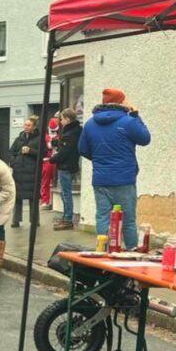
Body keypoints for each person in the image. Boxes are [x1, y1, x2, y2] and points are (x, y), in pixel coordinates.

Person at [78, 88, 150, 251]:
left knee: (102, 216)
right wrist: (136, 115)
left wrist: (100, 159)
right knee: (128, 220)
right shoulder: (128, 121)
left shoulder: (90, 124)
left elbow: (83, 149)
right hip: (124, 179)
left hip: (100, 180)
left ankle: (102, 250)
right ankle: (131, 251)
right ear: (120, 102)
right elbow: (145, 138)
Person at [50, 109, 82, 231]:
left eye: (62, 119)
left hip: (65, 167)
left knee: (65, 194)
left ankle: (68, 219)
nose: (60, 121)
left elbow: (65, 152)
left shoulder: (70, 134)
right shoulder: (75, 131)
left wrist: (52, 159)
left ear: (68, 119)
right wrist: (57, 142)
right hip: (71, 165)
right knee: (65, 193)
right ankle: (65, 217)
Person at [9, 116, 40, 228]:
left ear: (34, 127)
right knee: (17, 197)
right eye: (25, 125)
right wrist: (13, 162)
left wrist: (31, 151)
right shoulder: (19, 139)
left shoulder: (38, 139)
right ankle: (16, 220)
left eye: (28, 125)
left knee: (33, 197)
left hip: (32, 172)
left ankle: (34, 220)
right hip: (19, 172)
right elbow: (11, 152)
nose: (26, 127)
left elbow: (43, 154)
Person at [41, 117, 60, 210]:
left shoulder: (60, 135)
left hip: (57, 160)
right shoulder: (45, 136)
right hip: (47, 160)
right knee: (45, 181)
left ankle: (52, 201)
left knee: (56, 181)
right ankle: (45, 200)